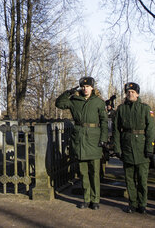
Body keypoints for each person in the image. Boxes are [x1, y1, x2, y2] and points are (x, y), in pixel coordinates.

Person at [55, 76, 108, 209]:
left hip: (94, 139)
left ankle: (95, 200)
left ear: (92, 87)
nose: (85, 89)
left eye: (88, 86)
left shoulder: (98, 102)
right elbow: (59, 103)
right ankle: (86, 199)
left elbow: (104, 122)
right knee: (83, 172)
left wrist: (103, 139)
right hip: (80, 140)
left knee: (95, 172)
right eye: (83, 87)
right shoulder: (74, 100)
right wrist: (68, 92)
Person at [113, 82, 155, 214]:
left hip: (142, 148)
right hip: (127, 147)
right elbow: (116, 130)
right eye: (128, 92)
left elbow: (151, 129)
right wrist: (117, 148)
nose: (130, 94)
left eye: (133, 92)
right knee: (129, 178)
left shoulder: (145, 108)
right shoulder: (121, 109)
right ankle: (132, 203)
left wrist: (149, 148)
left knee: (142, 179)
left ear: (137, 94)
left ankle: (142, 203)